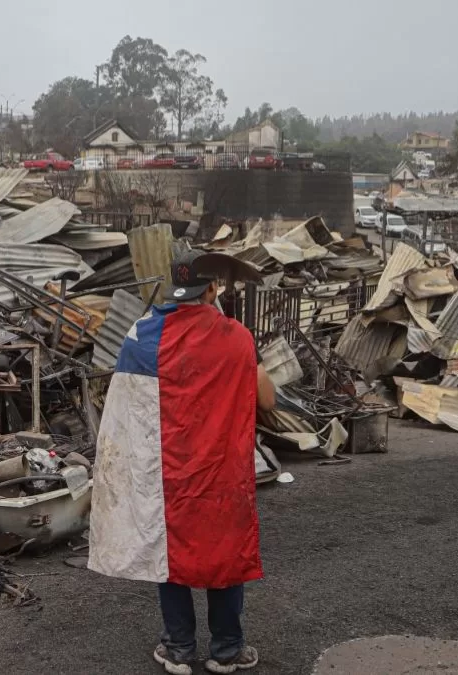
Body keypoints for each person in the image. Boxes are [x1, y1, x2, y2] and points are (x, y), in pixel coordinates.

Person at [89, 250, 276, 675]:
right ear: (212, 288)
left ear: (176, 287)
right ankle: (227, 650)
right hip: (223, 472)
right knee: (224, 554)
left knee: (167, 551)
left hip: (166, 473)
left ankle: (178, 649)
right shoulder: (238, 338)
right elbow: (267, 400)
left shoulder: (141, 335)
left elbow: (124, 411)